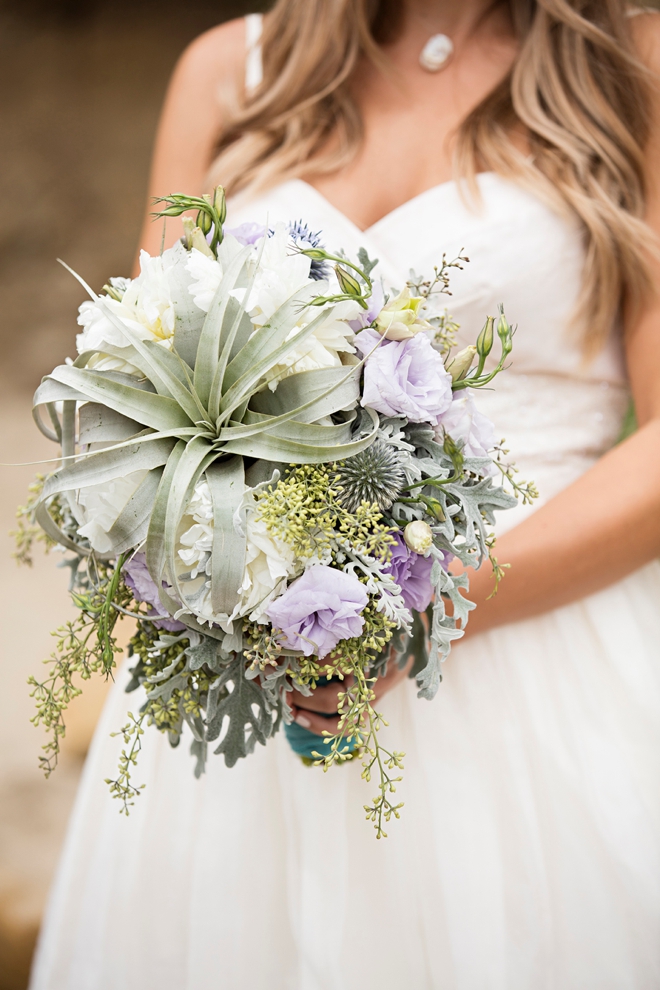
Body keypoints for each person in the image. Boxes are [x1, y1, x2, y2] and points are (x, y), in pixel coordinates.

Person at [30, 2, 660, 987]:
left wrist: (436, 595)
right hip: (243, 695)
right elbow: (143, 384)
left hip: (536, 682)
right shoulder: (229, 72)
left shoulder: (638, 66)